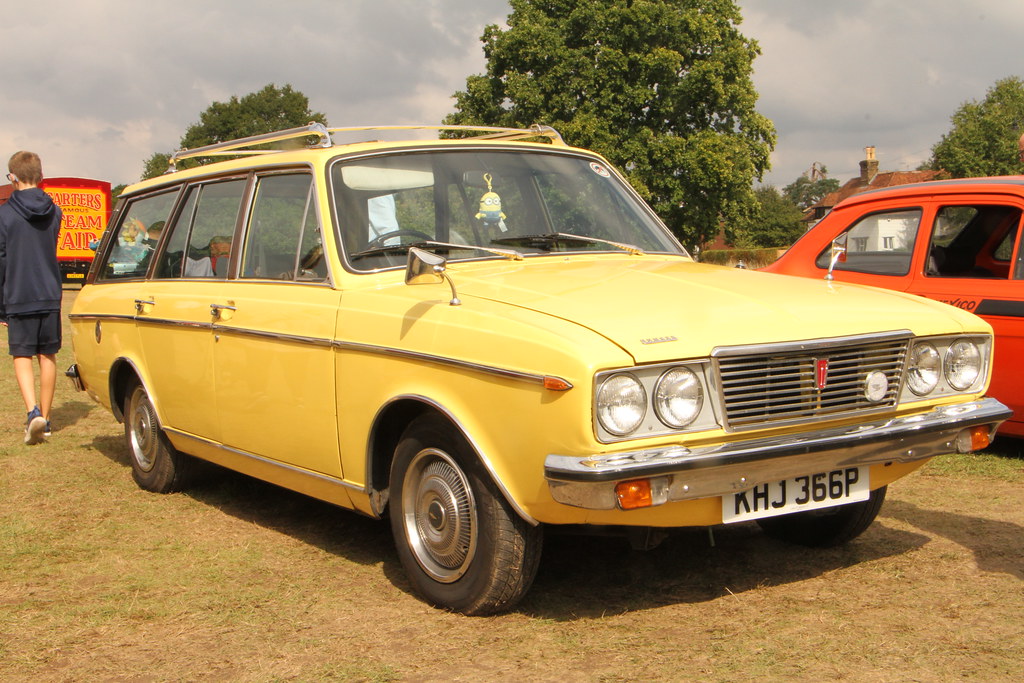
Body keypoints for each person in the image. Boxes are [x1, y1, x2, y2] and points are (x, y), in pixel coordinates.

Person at [0, 151, 62, 444]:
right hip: (50, 291)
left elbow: (1, 259)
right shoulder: (56, 211)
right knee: (47, 354)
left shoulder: (4, 213)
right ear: (41, 177)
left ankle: (31, 412)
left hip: (18, 291)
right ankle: (47, 420)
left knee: (22, 354)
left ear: (12, 178)